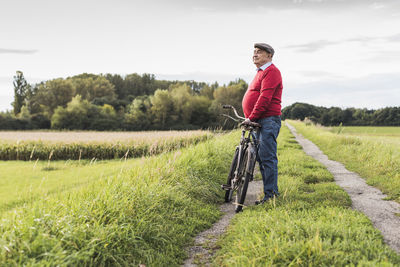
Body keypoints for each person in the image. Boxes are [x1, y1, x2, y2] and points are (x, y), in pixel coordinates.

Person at [242, 43, 283, 205]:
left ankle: (271, 195)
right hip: (258, 120)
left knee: (267, 158)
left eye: (259, 52)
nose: (255, 54)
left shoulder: (272, 71)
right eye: (254, 52)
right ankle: (269, 193)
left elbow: (265, 99)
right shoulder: (260, 72)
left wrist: (251, 116)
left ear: (269, 56)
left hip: (267, 120)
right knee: (261, 157)